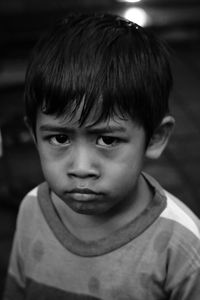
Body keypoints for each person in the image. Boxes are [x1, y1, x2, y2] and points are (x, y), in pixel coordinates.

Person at [3, 13, 200, 300]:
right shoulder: (32, 209)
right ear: (34, 135)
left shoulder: (183, 245)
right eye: (59, 138)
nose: (81, 168)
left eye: (107, 139)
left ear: (155, 138)